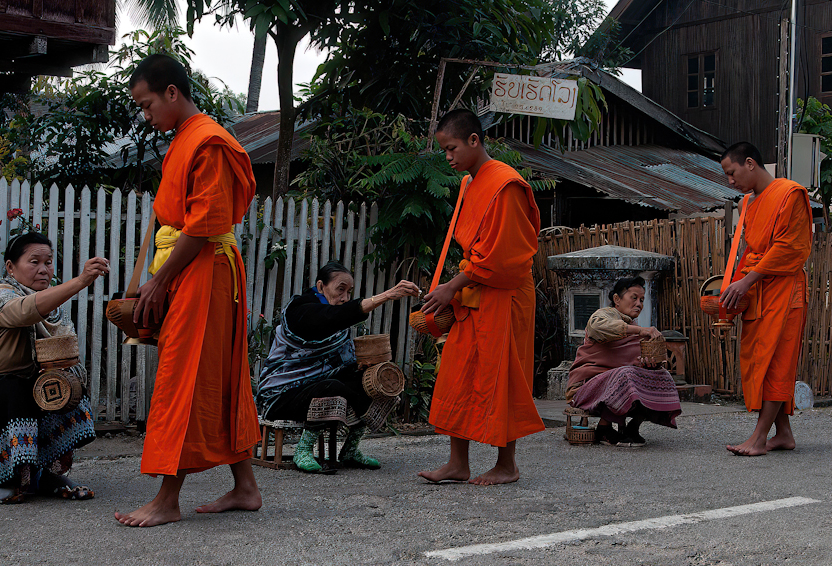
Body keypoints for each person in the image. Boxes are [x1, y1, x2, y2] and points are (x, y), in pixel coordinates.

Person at [115, 54, 262, 527]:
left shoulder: (209, 141)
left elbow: (204, 224)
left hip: (207, 267)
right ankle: (245, 487)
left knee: (184, 374)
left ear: (172, 93)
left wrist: (160, 279)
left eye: (147, 103)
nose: (146, 115)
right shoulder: (183, 140)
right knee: (213, 374)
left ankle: (167, 499)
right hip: (192, 266)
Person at [418, 109, 545, 486]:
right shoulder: (469, 184)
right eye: (444, 150)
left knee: (503, 375)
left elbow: (502, 256)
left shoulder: (505, 184)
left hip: (504, 292)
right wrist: (455, 287)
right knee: (458, 372)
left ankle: (507, 464)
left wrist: (451, 287)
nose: (448, 157)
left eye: (452, 148)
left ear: (474, 140)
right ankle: (458, 463)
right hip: (474, 290)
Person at [0, 232, 109, 504]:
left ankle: (48, 474)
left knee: (68, 387)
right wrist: (81, 281)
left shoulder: (53, 308)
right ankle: (9, 478)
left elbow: (66, 355)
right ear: (11, 267)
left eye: (48, 262)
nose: (43, 269)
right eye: (33, 261)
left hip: (26, 389)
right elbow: (23, 312)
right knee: (15, 389)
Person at [255, 262, 420, 472]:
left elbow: (337, 361)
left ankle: (350, 449)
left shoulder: (336, 324)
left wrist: (360, 368)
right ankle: (303, 450)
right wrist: (386, 296)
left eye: (348, 292)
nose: (344, 297)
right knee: (331, 387)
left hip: (317, 386)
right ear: (321, 286)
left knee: (378, 383)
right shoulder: (300, 310)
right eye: (340, 289)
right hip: (280, 395)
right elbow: (330, 318)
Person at [719, 142, 813, 456]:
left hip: (785, 287)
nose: (730, 181)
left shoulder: (790, 193)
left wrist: (747, 281)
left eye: (732, 173)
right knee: (760, 357)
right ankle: (783, 433)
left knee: (777, 360)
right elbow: (749, 249)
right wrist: (733, 289)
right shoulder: (749, 202)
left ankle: (759, 438)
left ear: (750, 163)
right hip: (758, 289)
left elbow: (790, 248)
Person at [566, 277, 682, 447]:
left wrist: (649, 366)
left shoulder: (634, 328)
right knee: (626, 373)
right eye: (634, 298)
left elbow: (637, 363)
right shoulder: (604, 315)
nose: (639, 304)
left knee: (660, 375)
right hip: (585, 388)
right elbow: (599, 328)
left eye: (642, 300)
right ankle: (604, 428)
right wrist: (640, 330)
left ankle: (632, 427)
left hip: (616, 386)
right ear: (617, 299)